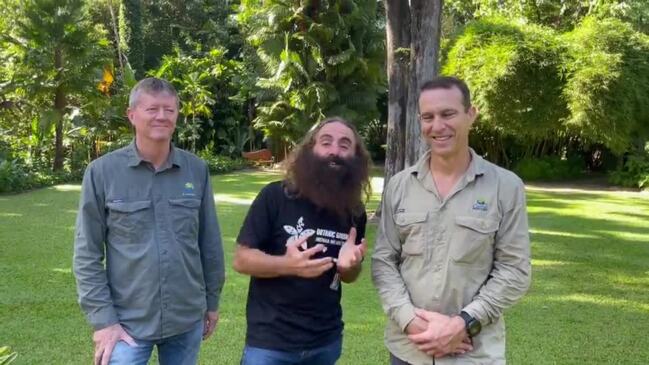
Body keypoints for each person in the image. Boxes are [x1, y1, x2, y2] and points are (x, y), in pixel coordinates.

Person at [372, 76, 531, 365]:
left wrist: (462, 323)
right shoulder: (399, 186)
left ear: (471, 114)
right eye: (428, 117)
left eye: (448, 114)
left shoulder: (505, 187)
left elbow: (515, 270)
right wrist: (410, 321)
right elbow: (384, 261)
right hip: (409, 350)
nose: (437, 126)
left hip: (472, 352)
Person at [73, 77, 225, 365]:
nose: (161, 116)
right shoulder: (102, 173)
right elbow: (87, 254)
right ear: (132, 115)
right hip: (128, 323)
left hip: (186, 316)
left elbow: (210, 242)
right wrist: (104, 321)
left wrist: (212, 301)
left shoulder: (196, 170)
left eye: (169, 110)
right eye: (152, 109)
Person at [233, 117, 372, 365]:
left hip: (325, 341)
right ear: (311, 149)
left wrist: (350, 267)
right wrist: (287, 265)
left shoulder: (354, 210)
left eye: (344, 145)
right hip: (271, 343)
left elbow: (349, 275)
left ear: (355, 156)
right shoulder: (275, 196)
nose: (334, 151)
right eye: (326, 142)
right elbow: (241, 259)